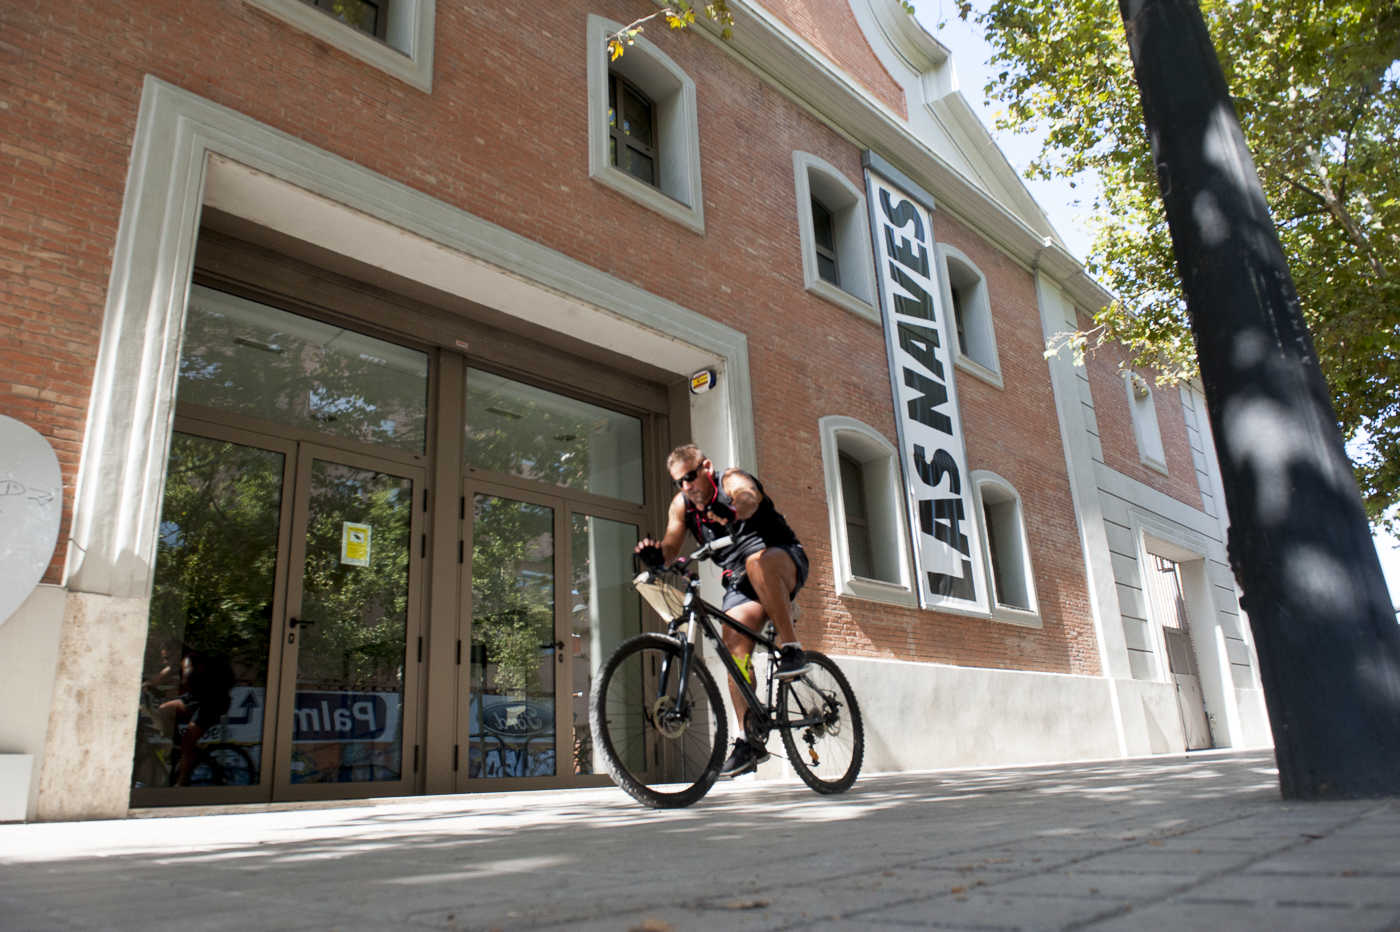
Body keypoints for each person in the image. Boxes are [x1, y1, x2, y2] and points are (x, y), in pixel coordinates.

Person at [634, 443, 812, 778]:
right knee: (735, 652)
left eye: (690, 476)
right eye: (679, 482)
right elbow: (671, 545)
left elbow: (748, 498)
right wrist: (657, 555)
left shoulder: (731, 479)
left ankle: (791, 648)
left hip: (781, 557)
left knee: (756, 561)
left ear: (707, 467)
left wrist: (730, 511)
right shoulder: (683, 506)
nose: (687, 486)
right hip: (742, 583)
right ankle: (749, 739)